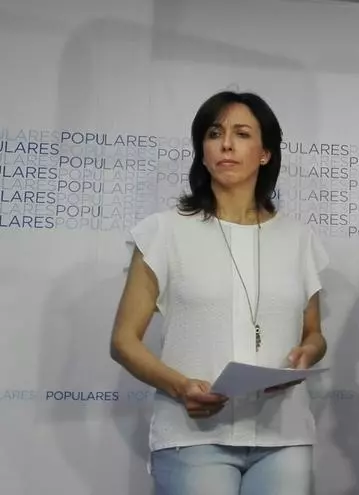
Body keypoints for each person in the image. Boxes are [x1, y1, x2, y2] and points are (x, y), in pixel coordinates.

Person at [110, 91, 329, 495]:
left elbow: (313, 333)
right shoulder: (164, 231)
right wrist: (180, 386)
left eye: (242, 134)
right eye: (214, 134)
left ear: (265, 153)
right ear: (203, 151)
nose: (226, 144)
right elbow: (124, 340)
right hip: (193, 435)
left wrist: (306, 355)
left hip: (283, 436)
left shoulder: (299, 238)